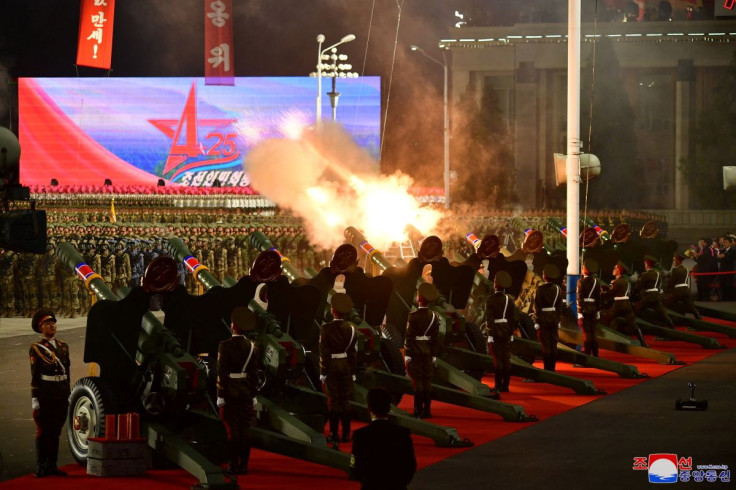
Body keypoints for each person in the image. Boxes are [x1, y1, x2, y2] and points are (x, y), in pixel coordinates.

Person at [217, 306, 261, 475]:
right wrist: (254, 394)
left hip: (229, 391)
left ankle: (234, 465)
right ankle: (244, 465)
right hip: (246, 392)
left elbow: (222, 372)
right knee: (245, 429)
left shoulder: (225, 346)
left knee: (233, 430)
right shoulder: (252, 346)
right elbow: (254, 373)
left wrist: (220, 395)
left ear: (233, 325)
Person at [29, 308, 71, 478]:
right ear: (41, 328)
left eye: (53, 323)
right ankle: (41, 466)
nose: (52, 326)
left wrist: (68, 392)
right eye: (48, 324)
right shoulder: (36, 348)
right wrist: (34, 398)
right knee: (43, 431)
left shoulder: (63, 346)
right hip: (45, 393)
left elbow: (67, 372)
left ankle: (52, 465)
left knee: (56, 432)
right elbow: (35, 374)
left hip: (60, 392)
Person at [350, 387, 416, 490]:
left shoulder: (360, 435)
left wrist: (367, 480)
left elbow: (355, 466)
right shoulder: (402, 433)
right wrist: (401, 482)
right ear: (389, 408)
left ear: (369, 408)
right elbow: (410, 464)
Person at [319, 293, 358, 446]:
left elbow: (324, 353)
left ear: (332, 310)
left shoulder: (326, 328)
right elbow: (353, 353)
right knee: (346, 401)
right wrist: (353, 372)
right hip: (346, 366)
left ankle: (334, 434)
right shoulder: (352, 329)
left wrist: (323, 372)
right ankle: (347, 434)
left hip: (332, 367)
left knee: (334, 402)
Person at [405, 282, 441, 417]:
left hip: (415, 351)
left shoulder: (413, 316)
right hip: (428, 351)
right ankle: (427, 410)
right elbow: (435, 338)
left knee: (418, 382)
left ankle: (417, 410)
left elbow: (409, 337)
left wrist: (407, 354)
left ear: (419, 298)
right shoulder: (434, 316)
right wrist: (434, 354)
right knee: (427, 381)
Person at [484, 271, 518, 392]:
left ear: (496, 284)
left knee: (497, 359)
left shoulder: (490, 300)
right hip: (506, 329)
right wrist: (511, 331)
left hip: (496, 330)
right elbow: (512, 317)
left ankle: (498, 385)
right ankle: (506, 385)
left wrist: (490, 334)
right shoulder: (509, 300)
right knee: (506, 358)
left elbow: (489, 318)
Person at [603, 261, 648, 347]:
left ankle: (603, 340)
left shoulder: (617, 282)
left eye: (615, 268)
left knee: (606, 320)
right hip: (627, 304)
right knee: (634, 325)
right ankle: (643, 343)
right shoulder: (626, 281)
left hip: (618, 304)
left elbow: (610, 294)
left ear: (619, 271)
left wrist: (603, 291)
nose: (613, 269)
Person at [532, 264, 564, 371]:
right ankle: (552, 368)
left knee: (545, 344)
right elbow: (559, 306)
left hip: (544, 319)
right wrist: (558, 319)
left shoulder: (540, 289)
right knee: (553, 343)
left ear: (545, 276)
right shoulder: (557, 289)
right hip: (554, 318)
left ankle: (547, 369)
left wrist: (537, 321)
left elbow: (538, 307)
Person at [634, 256, 675, 328]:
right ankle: (672, 327)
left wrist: (632, 293)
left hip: (648, 297)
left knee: (636, 312)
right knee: (663, 315)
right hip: (656, 296)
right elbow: (659, 285)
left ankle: (634, 329)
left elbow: (640, 287)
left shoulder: (645, 274)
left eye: (645, 264)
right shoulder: (657, 274)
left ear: (647, 264)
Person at [576, 259, 602, 357]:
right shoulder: (597, 281)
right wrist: (598, 311)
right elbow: (599, 298)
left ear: (585, 270)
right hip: (594, 309)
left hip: (584, 309)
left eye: (582, 268)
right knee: (593, 333)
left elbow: (579, 298)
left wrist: (579, 312)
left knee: (586, 333)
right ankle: (595, 354)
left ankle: (587, 354)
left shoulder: (581, 282)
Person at [664, 253, 701, 319]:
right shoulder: (686, 269)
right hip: (686, 290)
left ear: (678, 261)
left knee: (666, 303)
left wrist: (667, 288)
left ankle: (665, 319)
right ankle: (698, 317)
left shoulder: (675, 270)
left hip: (678, 292)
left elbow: (672, 282)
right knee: (690, 306)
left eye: (674, 260)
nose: (674, 262)